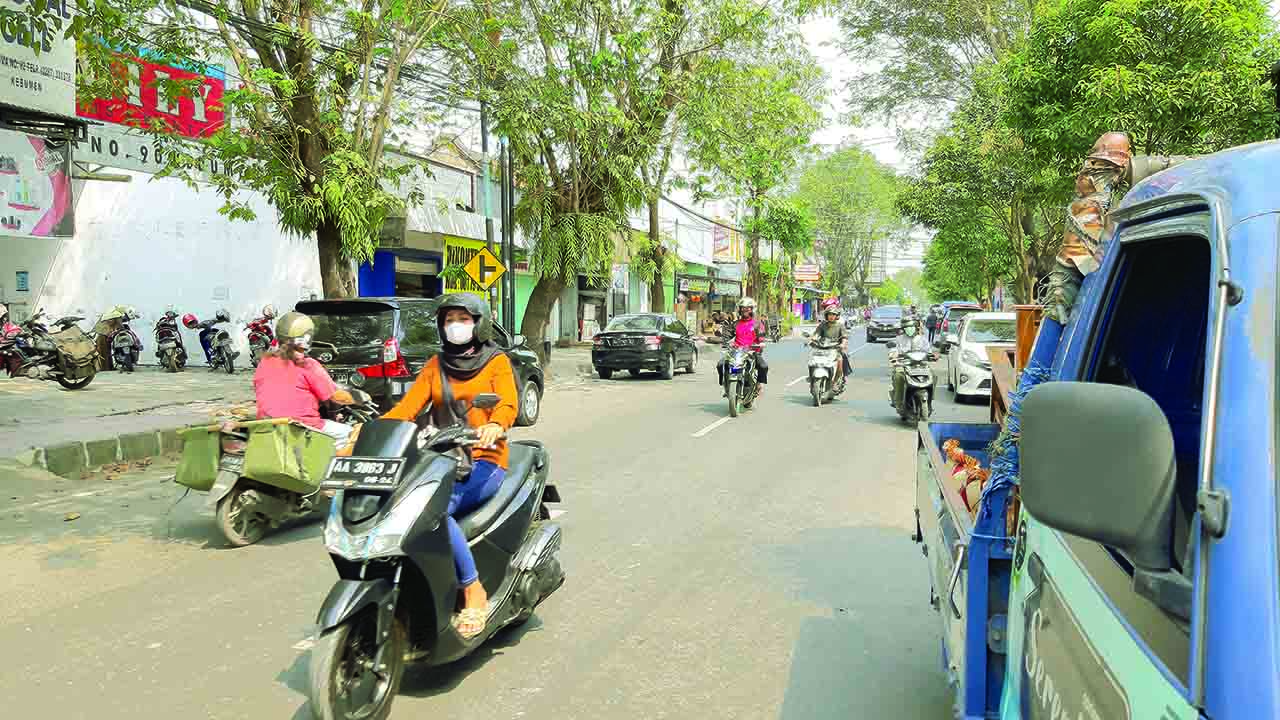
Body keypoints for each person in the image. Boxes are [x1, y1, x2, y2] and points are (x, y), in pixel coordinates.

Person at [380, 292, 518, 640]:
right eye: (449, 320)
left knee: (435, 513)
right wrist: (372, 430)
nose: (455, 326)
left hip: (484, 459)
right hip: (439, 458)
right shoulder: (435, 365)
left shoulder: (496, 362)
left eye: (463, 319)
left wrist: (495, 425)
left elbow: (508, 404)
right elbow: (407, 408)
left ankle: (473, 590)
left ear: (479, 323)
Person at [253, 311, 359, 442]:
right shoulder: (307, 364)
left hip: (269, 427)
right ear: (307, 337)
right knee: (353, 435)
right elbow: (336, 397)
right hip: (302, 428)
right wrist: (358, 399)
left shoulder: (264, 363)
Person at [717, 296, 769, 394]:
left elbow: (761, 336)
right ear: (739, 309)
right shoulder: (735, 324)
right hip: (736, 352)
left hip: (751, 352)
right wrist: (724, 341)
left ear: (752, 309)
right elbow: (727, 336)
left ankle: (758, 384)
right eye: (742, 308)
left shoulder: (757, 324)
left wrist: (761, 343)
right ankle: (725, 385)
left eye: (747, 308)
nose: (744, 310)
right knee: (720, 364)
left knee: (763, 366)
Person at [812, 305, 852, 380]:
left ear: (836, 316)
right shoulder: (823, 325)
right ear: (826, 315)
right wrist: (813, 339)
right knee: (812, 360)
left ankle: (843, 375)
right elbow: (817, 333)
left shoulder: (840, 325)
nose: (831, 316)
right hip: (823, 347)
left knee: (842, 357)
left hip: (836, 348)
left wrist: (843, 344)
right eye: (829, 314)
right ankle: (812, 377)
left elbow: (844, 337)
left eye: (833, 314)